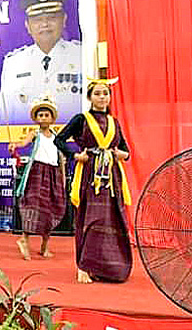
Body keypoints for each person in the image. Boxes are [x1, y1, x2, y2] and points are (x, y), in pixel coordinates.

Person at [55, 78, 132, 284]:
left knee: (112, 219)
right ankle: (84, 266)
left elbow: (127, 152)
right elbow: (59, 139)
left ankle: (111, 266)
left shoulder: (115, 122)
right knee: (90, 218)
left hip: (111, 177)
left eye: (105, 93)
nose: (102, 97)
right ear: (90, 97)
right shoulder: (81, 119)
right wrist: (74, 155)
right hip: (89, 175)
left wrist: (120, 154)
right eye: (97, 93)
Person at [0, 0, 81, 125]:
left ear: (64, 20)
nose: (45, 24)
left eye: (52, 17)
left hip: (73, 144)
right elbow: (4, 117)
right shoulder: (13, 63)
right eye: (37, 20)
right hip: (26, 143)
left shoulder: (80, 55)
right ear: (27, 26)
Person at [9, 95, 66, 260]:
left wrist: (61, 178)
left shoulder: (57, 136)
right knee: (33, 207)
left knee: (50, 208)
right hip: (37, 172)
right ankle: (24, 240)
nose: (43, 118)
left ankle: (45, 246)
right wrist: (15, 146)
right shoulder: (35, 133)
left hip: (53, 174)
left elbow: (61, 157)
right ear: (36, 118)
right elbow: (24, 143)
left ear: (52, 118)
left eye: (46, 115)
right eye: (40, 115)